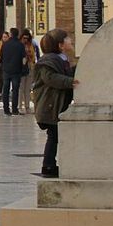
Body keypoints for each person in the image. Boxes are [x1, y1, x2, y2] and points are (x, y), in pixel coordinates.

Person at [32, 29, 80, 178]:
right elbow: (51, 78)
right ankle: (48, 166)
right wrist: (70, 82)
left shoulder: (61, 59)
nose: (70, 40)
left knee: (55, 136)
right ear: (60, 45)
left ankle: (50, 165)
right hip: (50, 107)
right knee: (53, 136)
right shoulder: (48, 61)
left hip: (56, 105)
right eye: (67, 39)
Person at [0, 28, 27, 116]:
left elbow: (0, 57)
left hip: (6, 70)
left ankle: (6, 109)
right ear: (17, 35)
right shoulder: (20, 45)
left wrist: (2, 65)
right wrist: (23, 67)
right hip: (16, 70)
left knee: (5, 89)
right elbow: (24, 59)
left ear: (11, 34)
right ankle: (14, 109)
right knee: (15, 90)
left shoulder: (5, 44)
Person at [16, 30, 37, 115]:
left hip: (29, 67)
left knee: (27, 88)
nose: (26, 40)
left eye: (27, 38)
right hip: (20, 68)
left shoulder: (31, 45)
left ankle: (27, 106)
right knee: (21, 88)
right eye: (24, 38)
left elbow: (34, 56)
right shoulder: (18, 46)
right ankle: (19, 106)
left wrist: (30, 56)